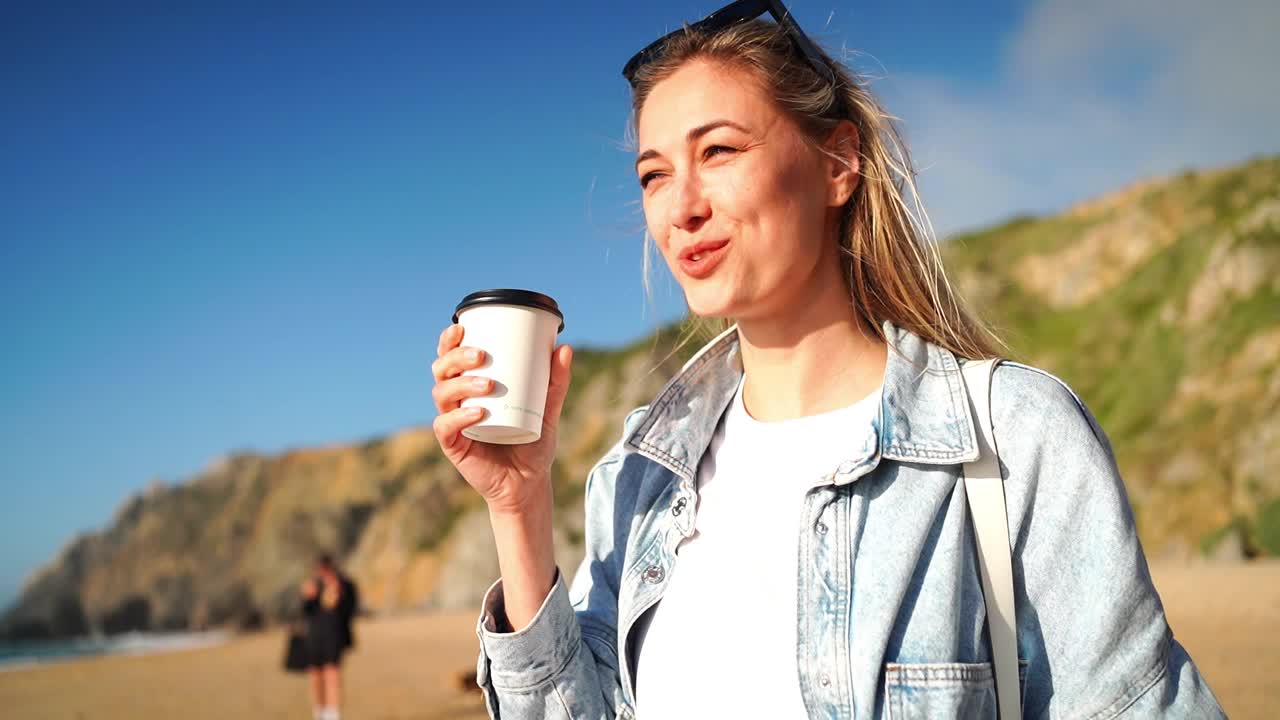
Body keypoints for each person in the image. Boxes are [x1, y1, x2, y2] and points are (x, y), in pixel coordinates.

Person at [429, 2, 1226, 718]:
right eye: (654, 174)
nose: (682, 207)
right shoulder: (637, 477)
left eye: (721, 150)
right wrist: (519, 507)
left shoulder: (1014, 439)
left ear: (838, 164)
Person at [301, 554, 358, 720]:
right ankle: (319, 712)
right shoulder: (313, 585)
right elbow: (305, 611)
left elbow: (350, 609)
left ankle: (333, 715)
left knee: (333, 674)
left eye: (325, 568)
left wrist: (338, 595)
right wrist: (308, 596)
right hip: (314, 638)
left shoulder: (344, 584)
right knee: (315, 676)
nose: (322, 571)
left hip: (334, 637)